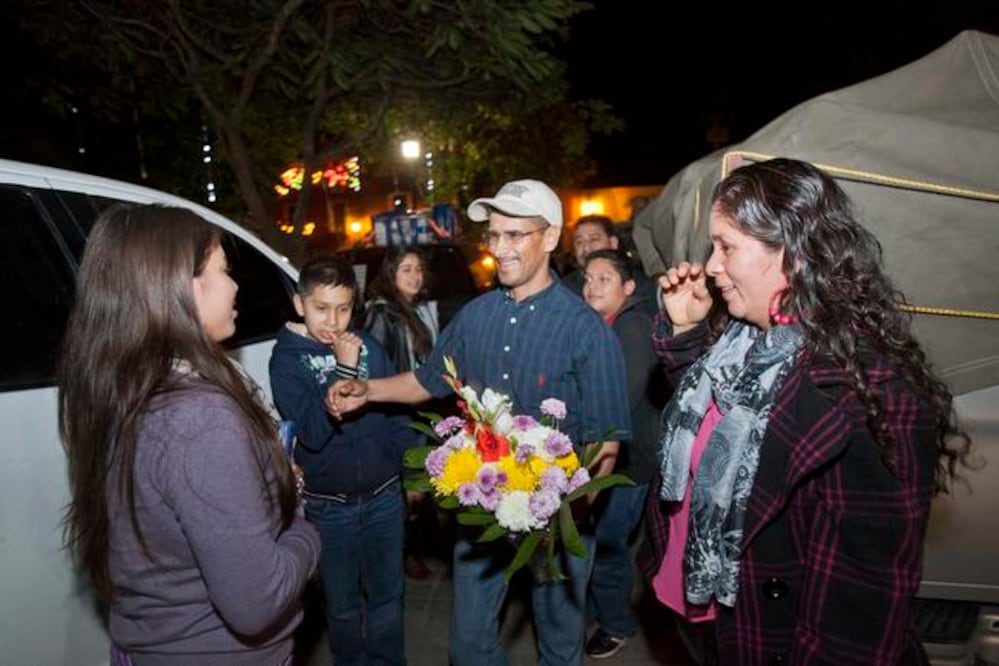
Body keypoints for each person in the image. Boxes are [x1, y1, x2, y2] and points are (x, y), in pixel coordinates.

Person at [646, 158, 970, 665]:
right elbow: (718, 427)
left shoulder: (869, 394)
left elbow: (860, 608)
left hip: (771, 639)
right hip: (709, 616)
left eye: (726, 246)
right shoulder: (745, 340)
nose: (710, 265)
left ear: (792, 252)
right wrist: (687, 336)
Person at [327, 178, 632, 666]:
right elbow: (430, 381)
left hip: (559, 524)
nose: (499, 249)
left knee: (558, 645)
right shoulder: (475, 316)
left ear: (551, 237)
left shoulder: (587, 331)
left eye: (515, 235)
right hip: (482, 514)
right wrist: (369, 390)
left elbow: (605, 447)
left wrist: (565, 509)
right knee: (468, 645)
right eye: (493, 235)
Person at [59, 205, 320, 666]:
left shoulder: (119, 384)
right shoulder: (199, 419)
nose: (236, 285)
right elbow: (258, 602)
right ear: (180, 288)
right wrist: (304, 526)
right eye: (222, 270)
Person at [269, 254, 418, 666]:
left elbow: (394, 412)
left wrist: (412, 473)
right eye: (321, 308)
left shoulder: (367, 344)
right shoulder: (287, 359)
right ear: (300, 304)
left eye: (343, 308)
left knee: (388, 597)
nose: (334, 321)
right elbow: (313, 433)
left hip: (384, 496)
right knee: (343, 607)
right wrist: (342, 368)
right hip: (329, 507)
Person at [580, 249, 669, 659]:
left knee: (609, 543)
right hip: (617, 458)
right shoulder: (606, 324)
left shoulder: (632, 328)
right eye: (587, 279)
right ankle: (602, 608)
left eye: (604, 279)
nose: (591, 286)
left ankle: (617, 623)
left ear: (628, 287)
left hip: (630, 464)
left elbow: (621, 401)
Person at [363, 246, 441, 581]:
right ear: (390, 274)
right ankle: (400, 555)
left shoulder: (416, 310)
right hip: (398, 411)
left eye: (418, 269)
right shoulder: (382, 314)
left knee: (417, 485)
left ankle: (410, 548)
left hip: (419, 408)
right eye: (406, 269)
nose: (414, 275)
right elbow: (376, 370)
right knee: (407, 487)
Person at [562, 214, 658, 314]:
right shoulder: (565, 288)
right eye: (579, 242)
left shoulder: (638, 283)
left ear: (613, 243)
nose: (585, 248)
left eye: (594, 239)